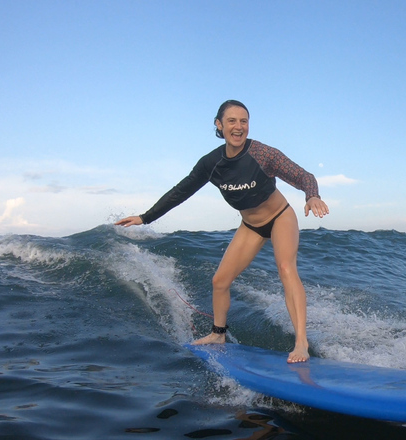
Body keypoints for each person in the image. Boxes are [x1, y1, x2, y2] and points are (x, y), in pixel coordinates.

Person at [115, 100, 329, 363]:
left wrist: (312, 196)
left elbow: (302, 175)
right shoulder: (211, 163)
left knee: (286, 268)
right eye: (232, 121)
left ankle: (301, 344)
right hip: (250, 226)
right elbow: (181, 191)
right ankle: (218, 334)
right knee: (220, 281)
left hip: (280, 217)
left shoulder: (262, 154)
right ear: (219, 125)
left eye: (244, 121)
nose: (239, 127)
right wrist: (145, 217)